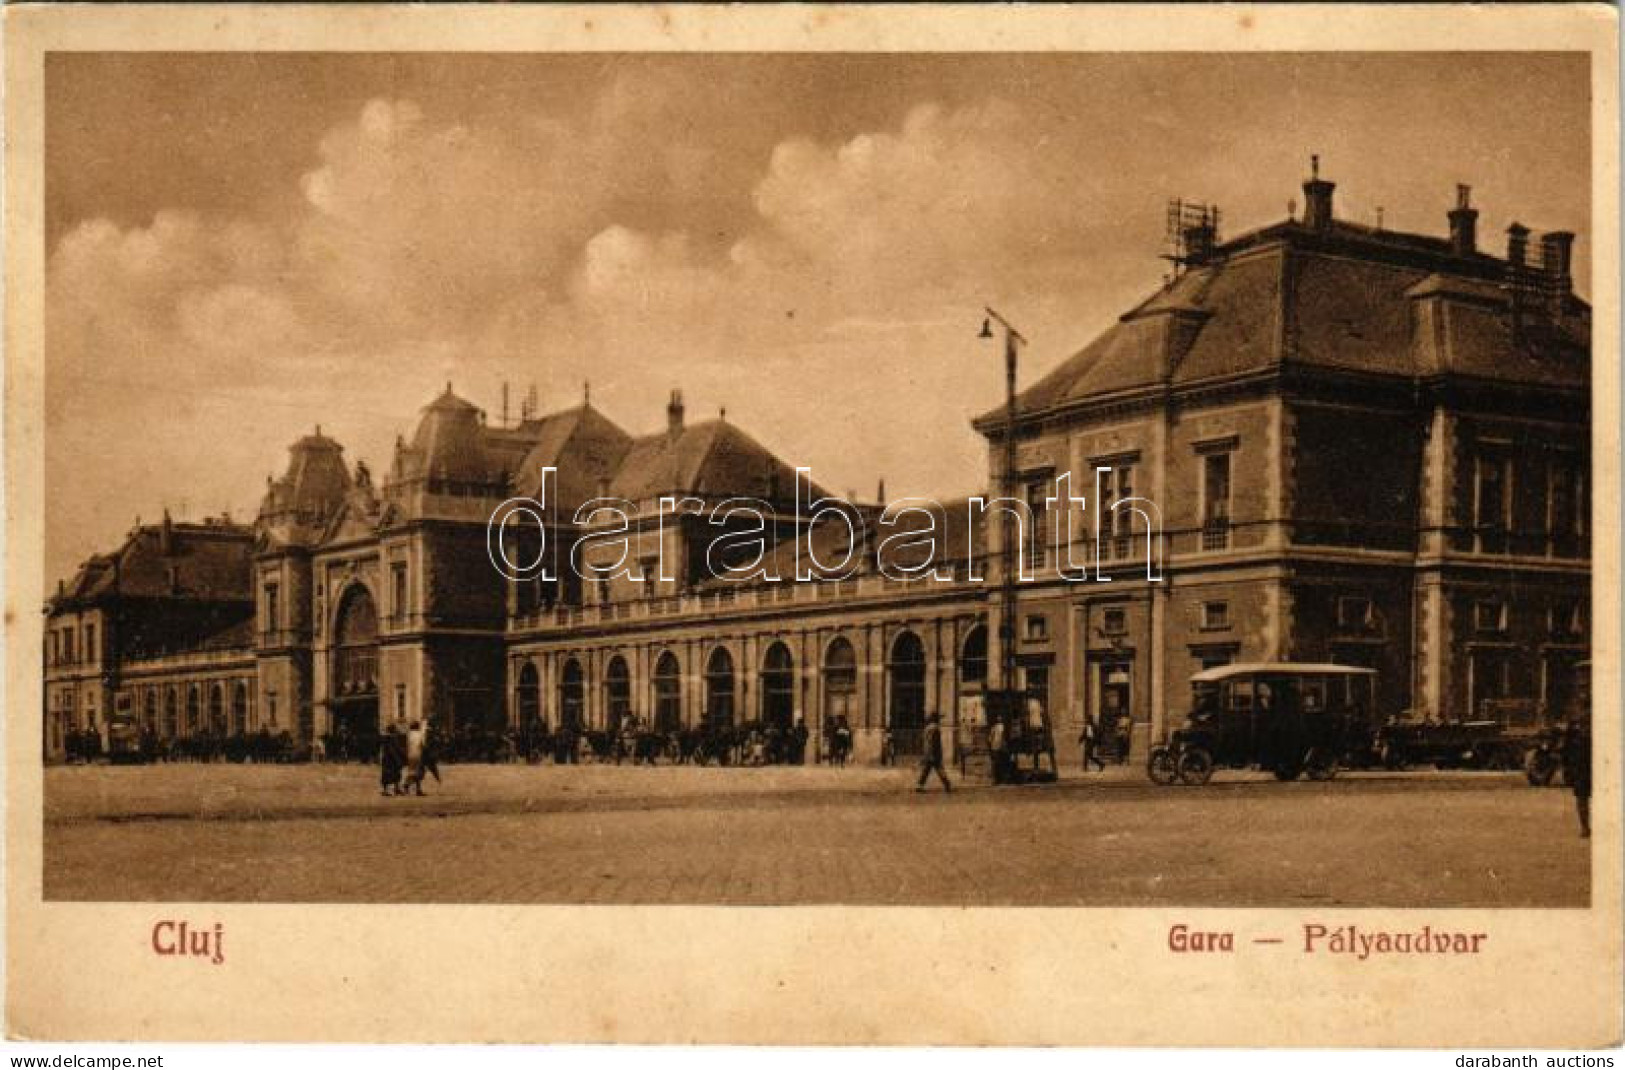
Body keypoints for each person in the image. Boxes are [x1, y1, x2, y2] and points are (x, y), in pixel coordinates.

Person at [1561, 712, 1592, 838]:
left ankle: (1586, 828)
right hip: (1581, 765)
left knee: (1582, 798)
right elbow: (1567, 748)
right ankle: (1585, 827)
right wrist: (1567, 768)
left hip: (1586, 764)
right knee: (1581, 798)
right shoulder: (1575, 723)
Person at [915, 712, 952, 793]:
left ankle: (919, 785)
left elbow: (926, 741)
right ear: (936, 720)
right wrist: (934, 754)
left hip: (928, 752)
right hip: (933, 753)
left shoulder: (927, 728)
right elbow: (934, 743)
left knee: (927, 770)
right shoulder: (935, 729)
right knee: (939, 769)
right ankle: (947, 785)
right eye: (938, 719)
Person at [402, 720, 427, 796]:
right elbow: (423, 745)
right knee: (419, 772)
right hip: (418, 754)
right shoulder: (419, 735)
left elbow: (406, 745)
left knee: (412, 771)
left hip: (410, 755)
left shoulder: (409, 735)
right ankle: (408, 785)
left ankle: (416, 788)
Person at [379, 723, 404, 796]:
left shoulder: (386, 737)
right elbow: (394, 749)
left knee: (390, 774)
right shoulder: (392, 738)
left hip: (386, 758)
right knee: (393, 773)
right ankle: (389, 790)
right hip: (391, 759)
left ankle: (394, 789)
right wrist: (399, 758)